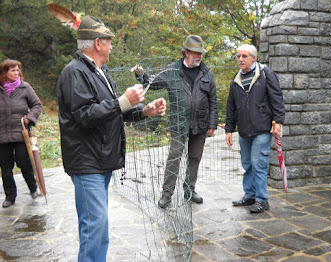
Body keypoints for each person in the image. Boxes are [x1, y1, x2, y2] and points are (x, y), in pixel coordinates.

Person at [56, 15, 166, 262]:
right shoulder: (74, 73)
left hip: (101, 160)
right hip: (87, 163)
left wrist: (145, 110)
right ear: (97, 43)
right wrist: (124, 101)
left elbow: (115, 112)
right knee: (94, 228)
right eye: (109, 41)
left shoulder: (100, 71)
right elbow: (85, 115)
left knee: (98, 228)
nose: (112, 46)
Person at [131, 35, 218, 208]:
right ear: (186, 53)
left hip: (200, 124)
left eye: (201, 53)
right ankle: (166, 194)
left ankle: (190, 190)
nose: (200, 56)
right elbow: (153, 83)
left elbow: (213, 101)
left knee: (194, 158)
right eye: (196, 53)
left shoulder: (206, 73)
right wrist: (141, 74)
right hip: (180, 123)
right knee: (174, 157)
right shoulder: (172, 71)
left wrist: (212, 123)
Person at [225, 44, 285, 213]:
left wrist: (278, 121)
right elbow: (231, 107)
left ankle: (262, 200)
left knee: (258, 164)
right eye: (238, 56)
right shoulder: (236, 80)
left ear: (254, 57)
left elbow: (277, 99)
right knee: (247, 164)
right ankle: (249, 195)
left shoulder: (266, 74)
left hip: (262, 129)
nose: (240, 59)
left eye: (244, 56)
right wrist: (229, 129)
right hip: (244, 131)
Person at [0, 59, 42, 208]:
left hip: (21, 133)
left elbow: (37, 105)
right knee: (5, 167)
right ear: (4, 72)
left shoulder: (25, 88)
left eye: (18, 70)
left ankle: (33, 188)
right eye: (13, 70)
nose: (16, 73)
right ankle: (10, 197)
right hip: (2, 135)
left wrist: (30, 118)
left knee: (23, 162)